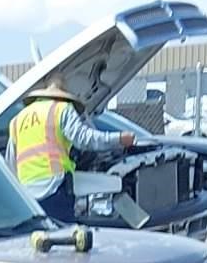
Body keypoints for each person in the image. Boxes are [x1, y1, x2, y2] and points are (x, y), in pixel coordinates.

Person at [9, 83, 136, 225]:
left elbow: (10, 164)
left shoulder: (17, 120)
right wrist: (119, 139)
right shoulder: (61, 109)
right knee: (64, 238)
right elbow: (84, 139)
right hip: (54, 188)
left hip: (27, 196)